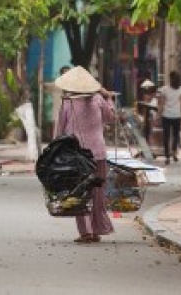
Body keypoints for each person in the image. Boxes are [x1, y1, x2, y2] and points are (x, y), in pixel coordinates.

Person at [54, 66, 116, 244]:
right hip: (98, 153)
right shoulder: (97, 99)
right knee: (97, 192)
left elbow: (60, 131)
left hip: (77, 156)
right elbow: (111, 118)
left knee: (80, 193)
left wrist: (57, 151)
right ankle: (96, 229)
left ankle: (86, 232)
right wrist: (109, 98)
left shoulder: (67, 103)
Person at [158, 71, 181, 164]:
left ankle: (167, 156)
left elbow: (161, 104)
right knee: (175, 136)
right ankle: (174, 153)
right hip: (177, 115)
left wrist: (159, 114)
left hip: (166, 115)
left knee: (166, 136)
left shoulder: (164, 90)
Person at [136, 79, 158, 145]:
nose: (146, 95)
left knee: (149, 134)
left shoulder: (154, 102)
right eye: (145, 93)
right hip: (145, 122)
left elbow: (155, 112)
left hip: (151, 122)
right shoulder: (144, 103)